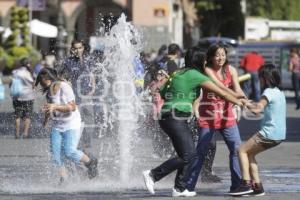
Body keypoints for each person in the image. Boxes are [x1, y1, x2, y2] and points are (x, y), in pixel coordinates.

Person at [142, 46, 244, 197]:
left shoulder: (178, 73)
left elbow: (162, 92)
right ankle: (153, 175)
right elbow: (221, 91)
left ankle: (179, 188)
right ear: (199, 61)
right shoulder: (196, 75)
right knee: (189, 154)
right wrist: (241, 102)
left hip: (169, 117)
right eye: (204, 60)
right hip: (174, 117)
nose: (205, 63)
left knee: (186, 153)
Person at [186, 44, 246, 193]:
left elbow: (237, 89)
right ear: (211, 57)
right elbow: (221, 88)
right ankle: (188, 186)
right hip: (208, 117)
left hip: (227, 117)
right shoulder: (207, 70)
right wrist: (238, 98)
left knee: (237, 149)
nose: (220, 58)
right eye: (217, 55)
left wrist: (243, 99)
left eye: (223, 55)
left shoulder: (231, 70)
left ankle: (237, 185)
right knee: (201, 151)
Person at [229, 64, 286, 196]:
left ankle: (246, 184)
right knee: (249, 154)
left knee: (241, 150)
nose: (259, 81)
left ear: (265, 79)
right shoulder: (279, 92)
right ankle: (257, 186)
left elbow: (257, 110)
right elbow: (260, 105)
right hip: (279, 135)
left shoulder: (268, 92)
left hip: (269, 133)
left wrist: (245, 103)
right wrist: (249, 102)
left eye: (260, 77)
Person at [35, 67, 98, 184]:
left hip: (71, 124)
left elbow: (72, 107)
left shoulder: (64, 87)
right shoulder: (49, 91)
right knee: (56, 155)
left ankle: (91, 163)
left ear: (51, 79)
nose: (43, 85)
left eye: (44, 82)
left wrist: (55, 107)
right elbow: (51, 108)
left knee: (69, 151)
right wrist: (46, 117)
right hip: (58, 125)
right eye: (41, 82)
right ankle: (64, 179)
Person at [59, 39, 96, 148]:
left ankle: (87, 141)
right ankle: (76, 142)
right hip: (74, 95)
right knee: (76, 119)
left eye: (80, 48)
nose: (78, 50)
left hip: (87, 93)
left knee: (89, 119)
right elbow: (60, 75)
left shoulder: (88, 59)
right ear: (72, 49)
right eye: (75, 48)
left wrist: (93, 88)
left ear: (83, 48)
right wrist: (67, 83)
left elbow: (92, 73)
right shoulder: (67, 61)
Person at [11, 58, 35, 139]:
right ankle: (25, 133)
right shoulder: (30, 72)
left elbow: (12, 82)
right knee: (27, 116)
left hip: (17, 96)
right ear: (28, 64)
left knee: (17, 116)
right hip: (29, 96)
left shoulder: (15, 72)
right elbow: (33, 83)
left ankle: (17, 133)